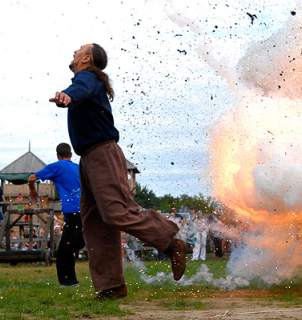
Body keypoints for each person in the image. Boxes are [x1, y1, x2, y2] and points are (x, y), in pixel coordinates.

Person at [49, 43, 186, 300]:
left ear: (87, 58)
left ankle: (169, 241)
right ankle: (112, 286)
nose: (74, 51)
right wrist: (70, 95)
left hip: (101, 154)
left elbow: (80, 88)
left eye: (79, 50)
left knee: (115, 212)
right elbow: (80, 89)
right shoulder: (87, 79)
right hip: (89, 158)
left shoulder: (87, 78)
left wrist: (68, 96)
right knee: (95, 224)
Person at [28, 143, 85, 288]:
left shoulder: (57, 166)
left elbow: (31, 178)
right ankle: (71, 281)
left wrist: (33, 191)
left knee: (64, 250)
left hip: (73, 211)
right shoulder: (79, 168)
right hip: (86, 210)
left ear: (58, 156)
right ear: (71, 155)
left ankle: (69, 283)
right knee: (70, 247)